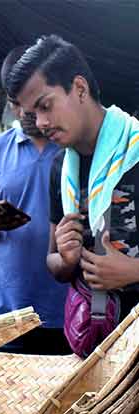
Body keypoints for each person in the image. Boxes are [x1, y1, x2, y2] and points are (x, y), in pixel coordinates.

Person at [8, 36, 139, 336]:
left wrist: (133, 271)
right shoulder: (61, 169)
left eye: (45, 106)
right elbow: (53, 261)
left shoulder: (135, 149)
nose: (40, 123)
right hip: (98, 345)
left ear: (79, 88)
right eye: (32, 114)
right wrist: (67, 260)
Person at [0, 46, 69, 355]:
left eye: (32, 102)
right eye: (15, 102)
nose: (24, 112)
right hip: (6, 310)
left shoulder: (72, 149)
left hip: (64, 309)